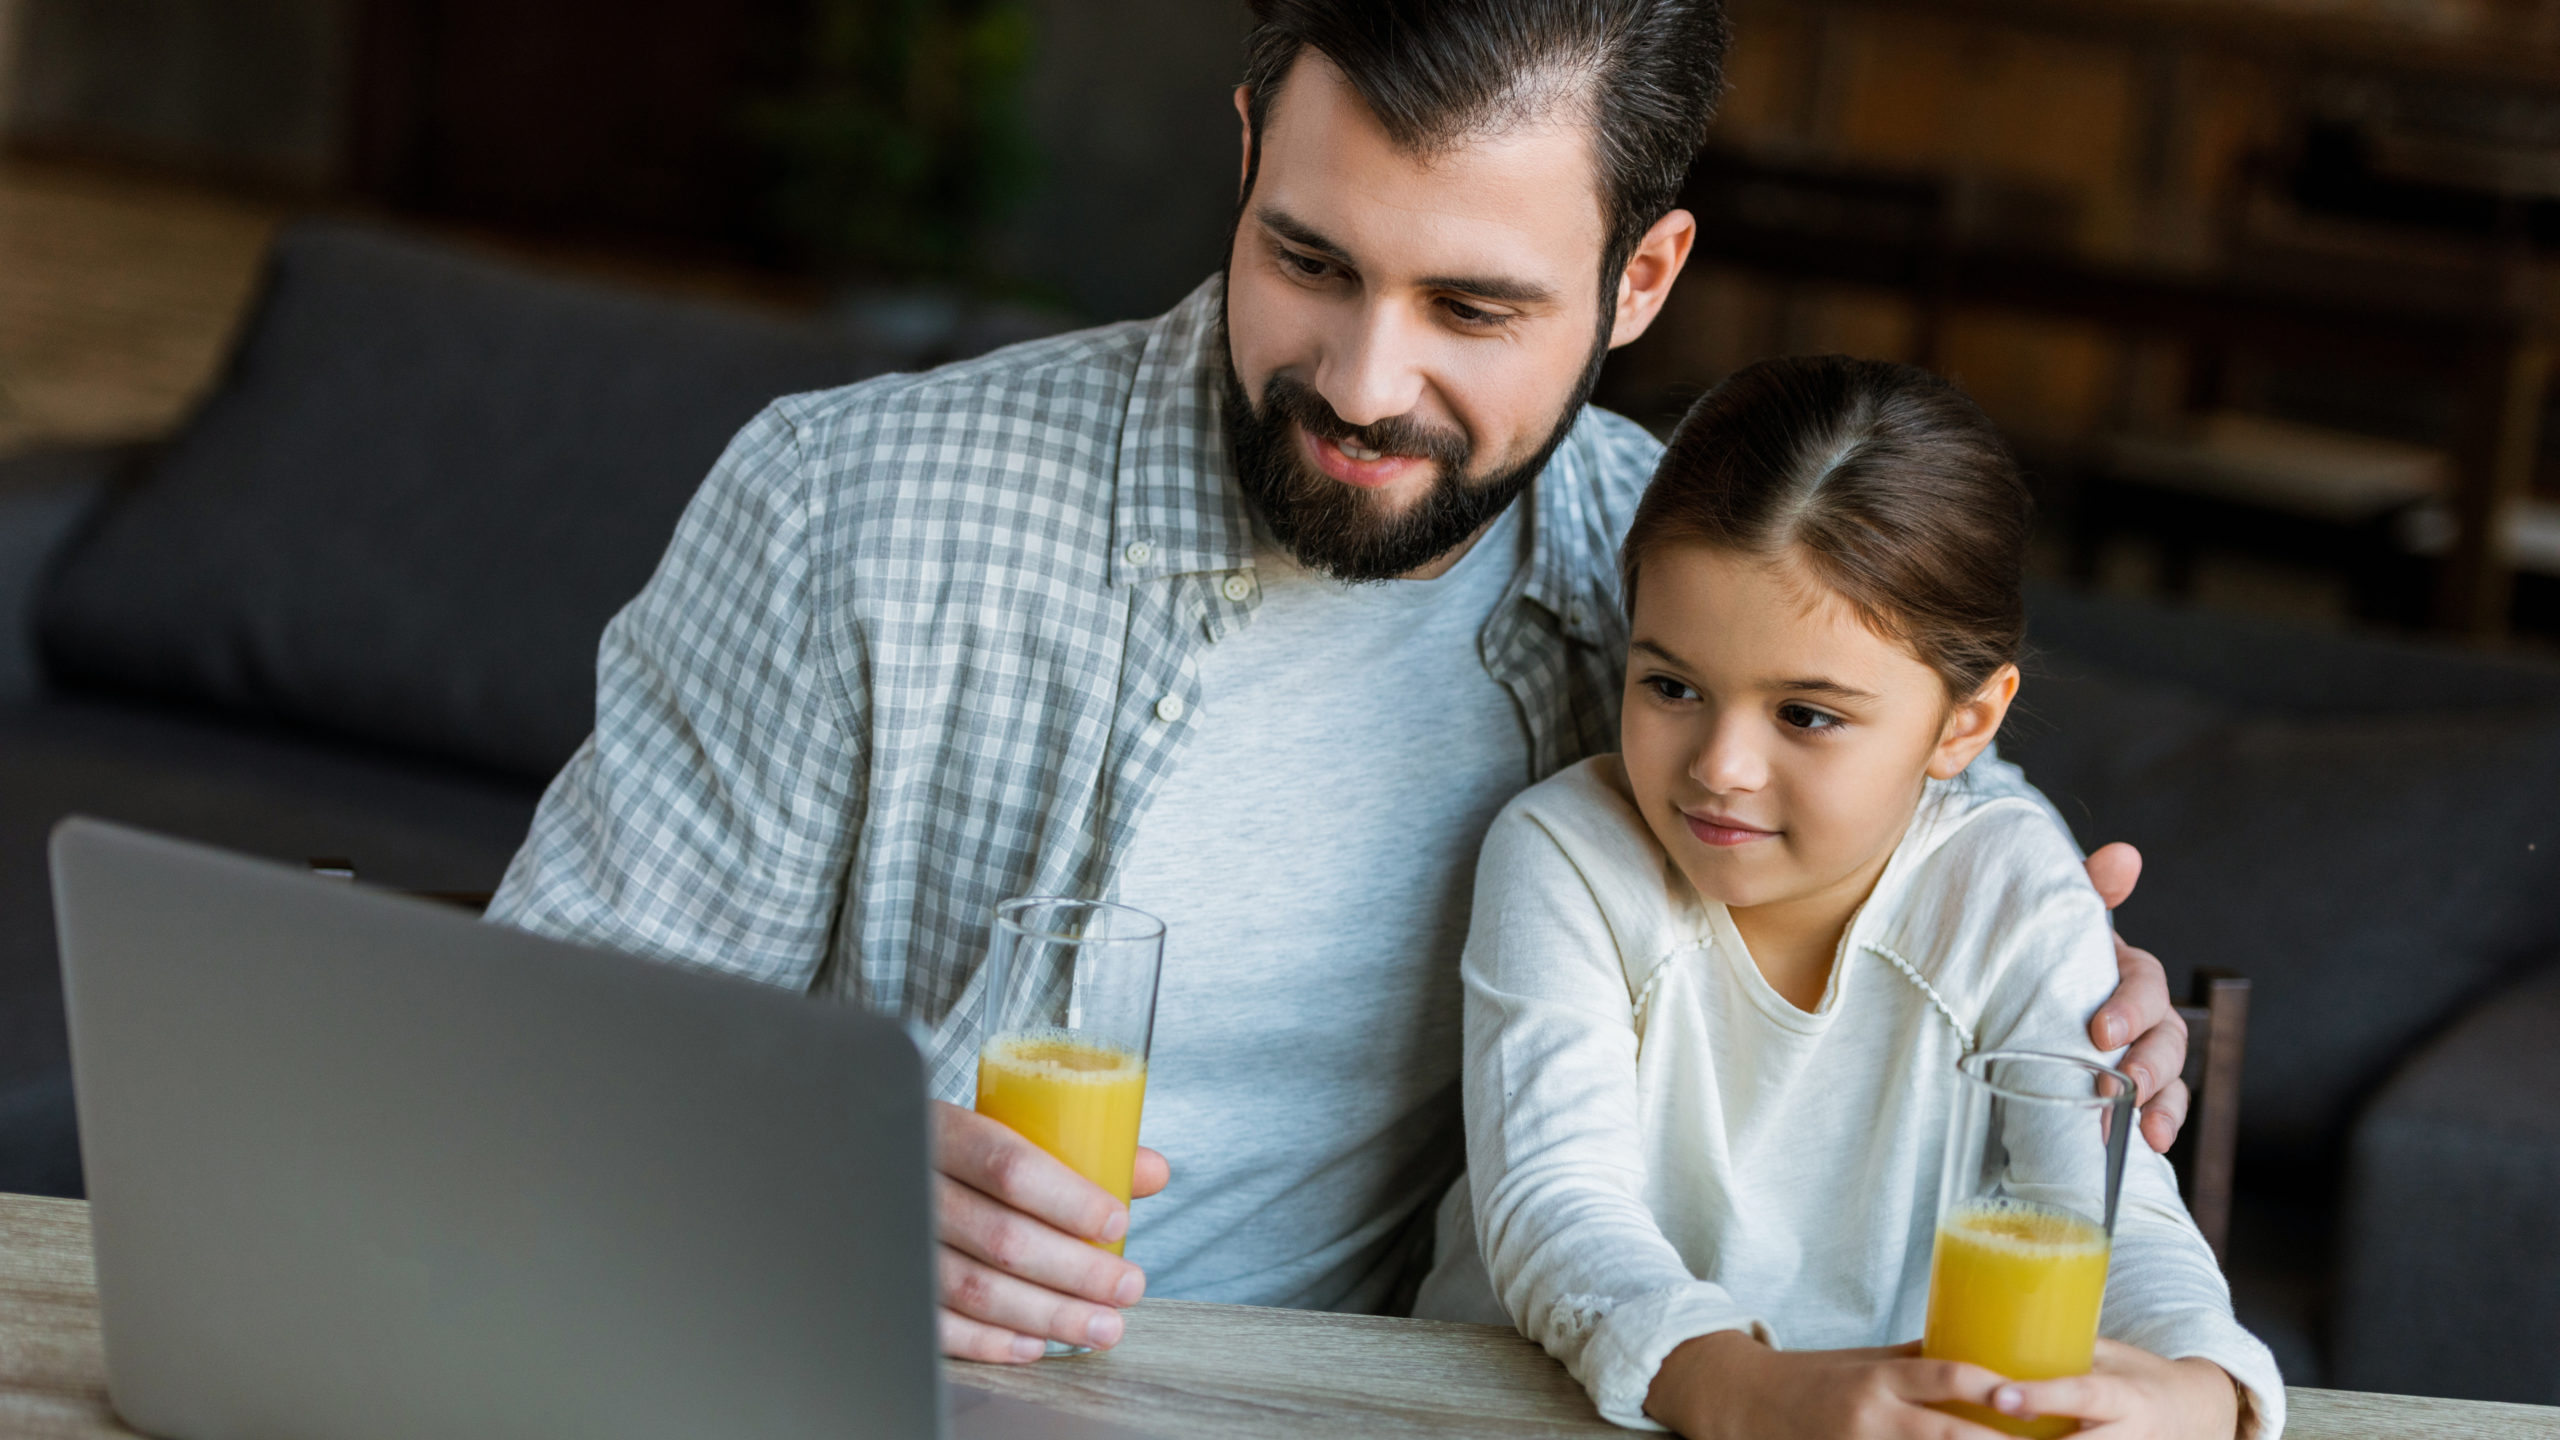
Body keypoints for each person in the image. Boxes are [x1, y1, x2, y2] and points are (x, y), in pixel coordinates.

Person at [486, 0, 2199, 1366]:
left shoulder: (1665, 584)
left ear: (1643, 280)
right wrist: (796, 1183)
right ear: (1245, 154)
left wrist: (2071, 980)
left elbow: (1936, 793)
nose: (1367, 384)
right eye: (1309, 262)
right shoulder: (856, 512)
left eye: (1473, 306)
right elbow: (513, 1078)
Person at [1417, 356, 2278, 1438]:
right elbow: (1556, 1210)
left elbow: (2109, 1224)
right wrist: (1753, 1393)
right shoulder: (1563, 858)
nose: (1720, 765)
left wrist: (2203, 1388)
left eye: (1806, 715)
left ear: (1964, 725)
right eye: (1671, 685)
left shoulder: (2007, 891)